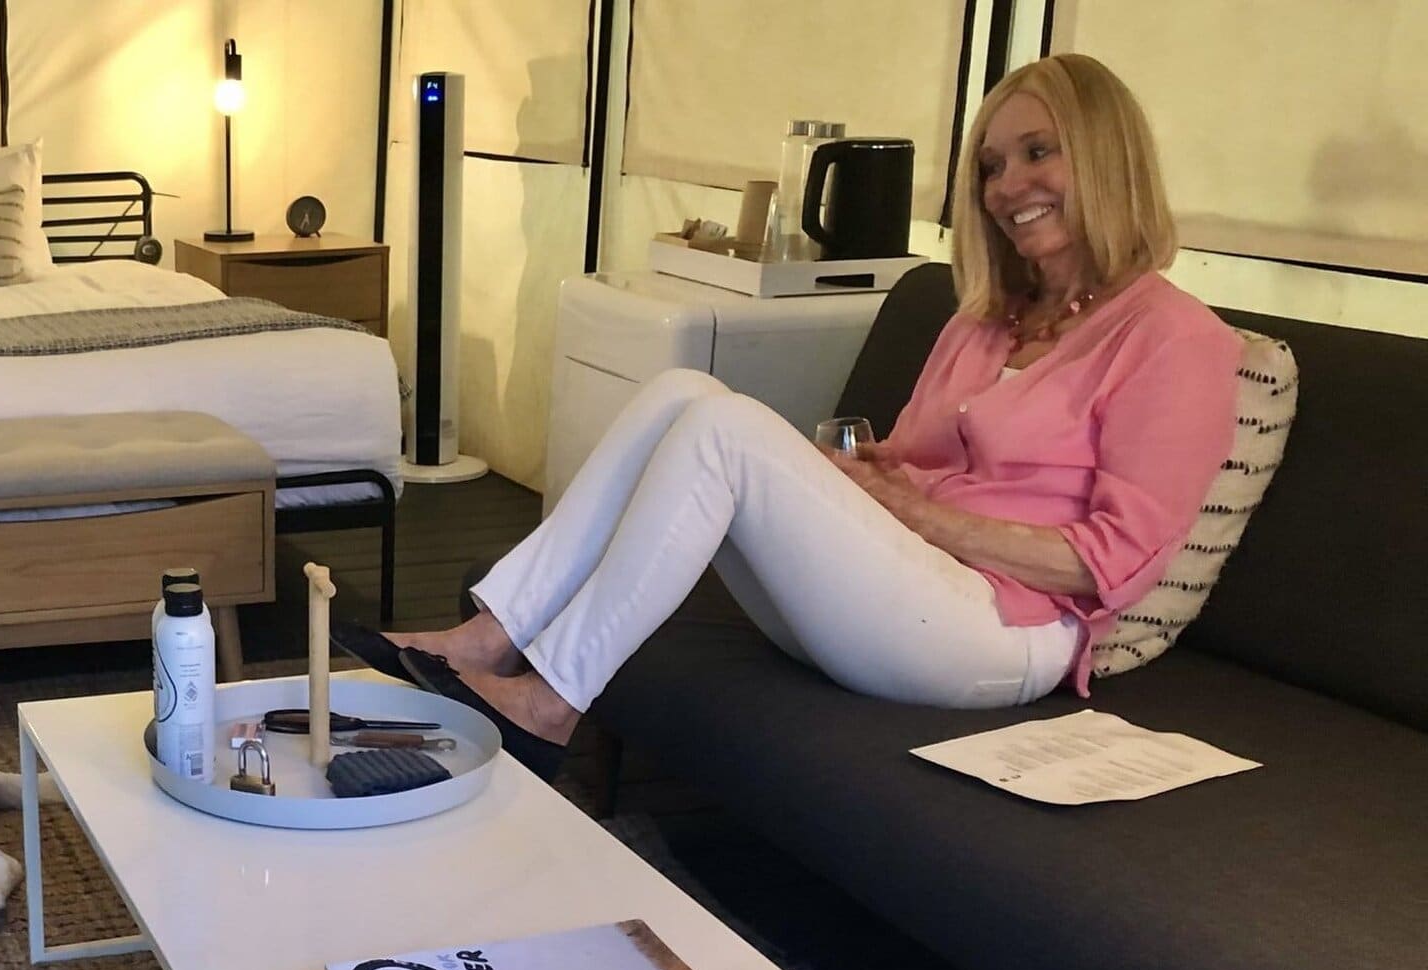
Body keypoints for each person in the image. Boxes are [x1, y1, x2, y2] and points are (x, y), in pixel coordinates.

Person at [342, 54, 1241, 779]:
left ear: (1106, 155)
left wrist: (912, 512)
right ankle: (489, 634)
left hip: (1004, 635)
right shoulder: (984, 321)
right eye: (992, 167)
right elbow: (911, 457)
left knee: (724, 430)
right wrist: (853, 479)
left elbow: (1112, 567)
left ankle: (551, 704)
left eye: (1038, 153)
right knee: (682, 394)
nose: (1008, 186)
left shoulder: (1173, 339)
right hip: (907, 586)